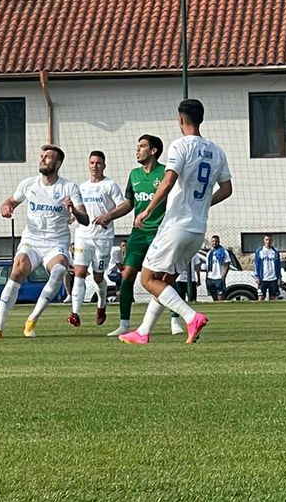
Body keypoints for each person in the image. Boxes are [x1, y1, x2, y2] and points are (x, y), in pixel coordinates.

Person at [119, 99, 233, 345]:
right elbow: (227, 189)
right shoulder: (217, 151)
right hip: (197, 229)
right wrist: (202, 205)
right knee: (166, 281)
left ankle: (191, 317)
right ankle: (143, 331)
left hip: (175, 226)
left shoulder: (180, 145)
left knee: (147, 279)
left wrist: (147, 211)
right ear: (201, 119)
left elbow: (168, 181)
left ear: (181, 119)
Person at [0, 145, 89, 339]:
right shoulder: (28, 184)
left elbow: (85, 218)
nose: (43, 160)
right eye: (42, 156)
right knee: (18, 268)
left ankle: (32, 320)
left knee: (59, 269)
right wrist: (6, 207)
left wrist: (74, 211)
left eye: (48, 157)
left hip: (56, 242)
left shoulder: (69, 187)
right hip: (32, 240)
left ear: (58, 163)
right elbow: (10, 201)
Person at [92, 135, 165, 337]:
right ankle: (124, 324)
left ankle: (175, 320)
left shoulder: (165, 173)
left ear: (154, 151)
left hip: (160, 233)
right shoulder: (134, 175)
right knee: (126, 276)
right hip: (139, 234)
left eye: (142, 147)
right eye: (137, 147)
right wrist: (109, 215)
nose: (137, 150)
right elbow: (128, 203)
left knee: (161, 277)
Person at [70, 150, 125, 327]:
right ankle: (75, 313)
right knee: (79, 272)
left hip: (103, 238)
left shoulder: (110, 185)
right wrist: (71, 211)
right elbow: (79, 212)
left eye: (98, 163)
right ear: (88, 165)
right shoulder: (82, 187)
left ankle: (101, 305)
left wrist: (107, 216)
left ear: (104, 165)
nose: (95, 166)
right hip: (83, 236)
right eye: (92, 163)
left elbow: (123, 205)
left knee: (98, 278)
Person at [254, 235, 283, 301]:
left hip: (273, 278)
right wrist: (257, 276)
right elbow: (256, 264)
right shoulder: (259, 251)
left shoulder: (275, 251)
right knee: (261, 297)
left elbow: (278, 265)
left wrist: (279, 277)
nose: (268, 241)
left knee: (273, 298)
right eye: (266, 240)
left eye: (270, 240)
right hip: (263, 278)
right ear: (264, 240)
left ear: (272, 241)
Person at [204, 235, 229, 301]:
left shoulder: (224, 252)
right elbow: (207, 266)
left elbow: (227, 264)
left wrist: (223, 276)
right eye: (213, 241)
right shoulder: (209, 253)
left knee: (220, 296)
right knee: (214, 297)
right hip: (210, 277)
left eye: (216, 241)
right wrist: (206, 277)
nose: (214, 243)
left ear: (219, 242)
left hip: (219, 277)